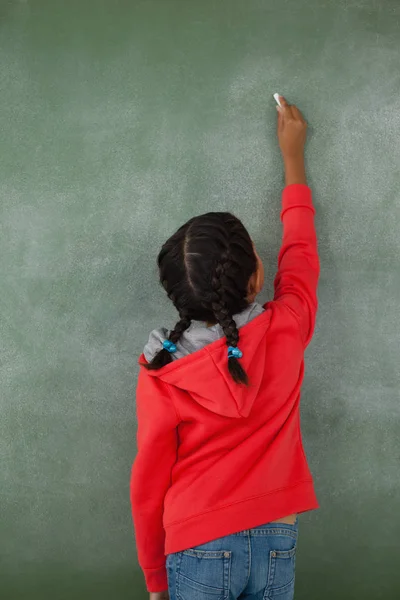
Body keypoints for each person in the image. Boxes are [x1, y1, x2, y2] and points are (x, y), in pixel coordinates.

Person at [131, 97, 320, 600]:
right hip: (278, 535)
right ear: (258, 277)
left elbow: (148, 485)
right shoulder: (289, 326)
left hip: (195, 543)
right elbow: (301, 253)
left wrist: (155, 580)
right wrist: (294, 159)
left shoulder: (163, 371)